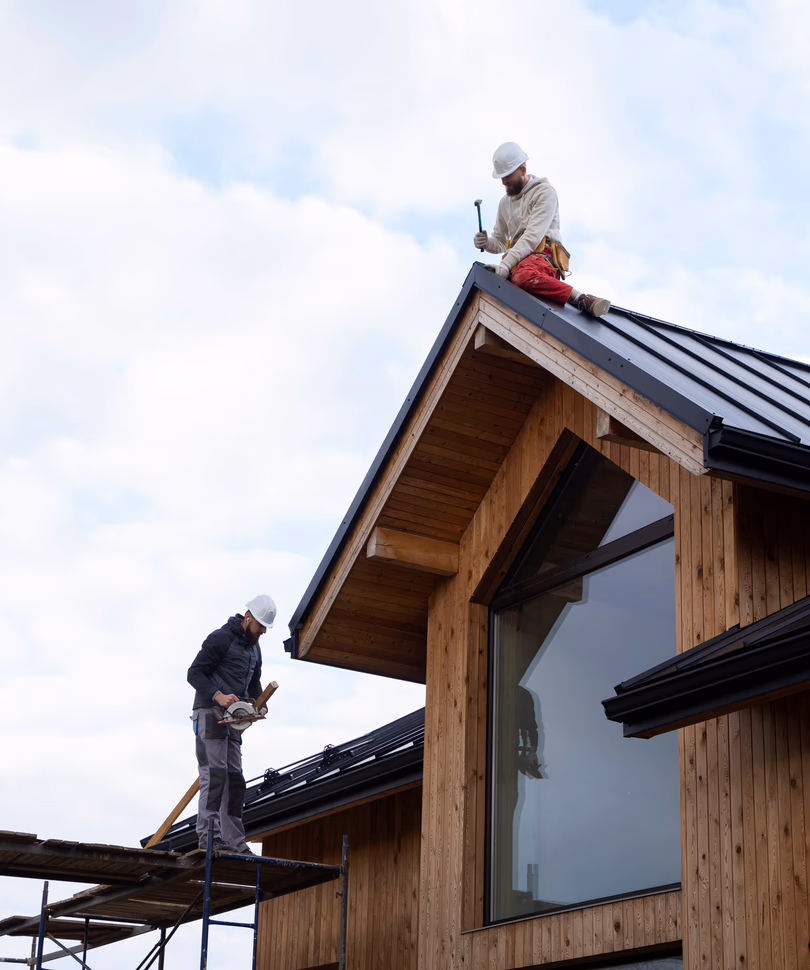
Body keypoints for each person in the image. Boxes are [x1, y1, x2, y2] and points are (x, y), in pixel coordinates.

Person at [474, 142, 610, 318]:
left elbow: (532, 237)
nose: (503, 181)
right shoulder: (504, 203)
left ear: (523, 170)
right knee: (492, 289)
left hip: (542, 256)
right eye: (501, 177)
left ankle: (580, 298)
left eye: (507, 175)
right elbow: (500, 241)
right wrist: (486, 243)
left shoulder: (544, 193)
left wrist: (505, 266)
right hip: (517, 260)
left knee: (523, 277)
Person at [187, 593, 277, 853]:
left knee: (235, 780)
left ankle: (235, 842)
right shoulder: (220, 639)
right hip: (210, 714)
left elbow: (254, 683)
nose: (262, 631)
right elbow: (194, 673)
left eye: (265, 628)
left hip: (234, 721)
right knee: (214, 776)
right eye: (260, 625)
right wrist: (219, 695)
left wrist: (257, 703)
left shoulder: (254, 648)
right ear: (247, 618)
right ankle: (209, 838)